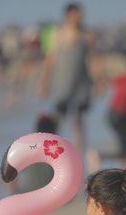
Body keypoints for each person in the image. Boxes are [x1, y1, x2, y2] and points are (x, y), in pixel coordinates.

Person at [39, 2, 99, 155]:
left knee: (79, 121)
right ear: (68, 16)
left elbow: (93, 59)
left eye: (80, 15)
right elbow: (50, 60)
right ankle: (54, 152)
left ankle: (78, 155)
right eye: (76, 14)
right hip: (62, 84)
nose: (79, 18)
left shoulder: (87, 34)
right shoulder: (57, 34)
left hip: (81, 84)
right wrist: (44, 83)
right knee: (58, 118)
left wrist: (98, 82)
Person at [9, 113, 56, 194]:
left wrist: (14, 193)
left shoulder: (26, 148)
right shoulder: (57, 150)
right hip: (48, 194)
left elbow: (10, 171)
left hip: (27, 193)